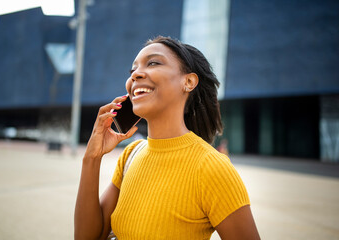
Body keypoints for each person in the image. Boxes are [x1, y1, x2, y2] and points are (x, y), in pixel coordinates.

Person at [74, 36, 260, 240]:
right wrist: (92, 158)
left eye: (153, 63)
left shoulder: (212, 168)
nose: (136, 74)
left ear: (188, 82)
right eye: (132, 70)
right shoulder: (130, 155)